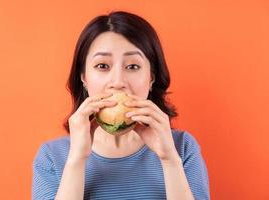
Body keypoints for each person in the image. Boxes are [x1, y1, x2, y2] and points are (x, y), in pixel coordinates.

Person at [32, 11, 210, 200]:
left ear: (151, 78)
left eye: (132, 66)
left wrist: (169, 160)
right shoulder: (52, 156)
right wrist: (77, 159)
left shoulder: (182, 147)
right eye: (102, 66)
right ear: (83, 77)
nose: (117, 82)